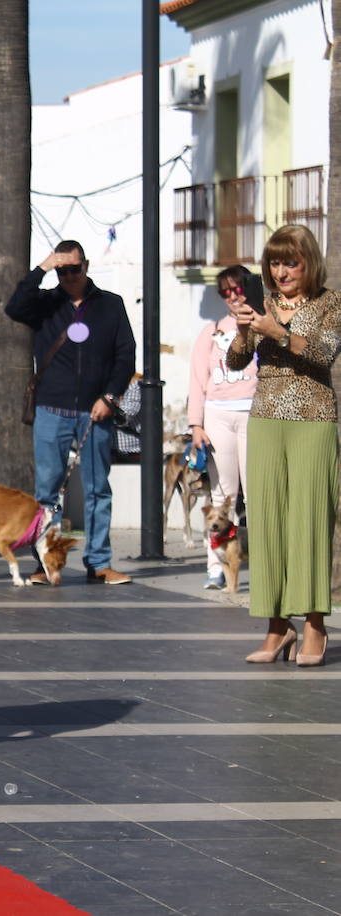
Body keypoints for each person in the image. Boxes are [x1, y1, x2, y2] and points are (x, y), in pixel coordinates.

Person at [225, 225, 341, 667]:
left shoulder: (331, 303)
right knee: (268, 521)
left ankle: (314, 626)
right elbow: (236, 361)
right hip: (267, 419)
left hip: (314, 420)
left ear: (307, 262)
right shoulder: (264, 305)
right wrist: (243, 328)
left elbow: (322, 354)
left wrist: (276, 330)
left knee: (309, 522)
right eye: (275, 262)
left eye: (290, 261)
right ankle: (277, 626)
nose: (281, 271)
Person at [5, 239, 136, 585]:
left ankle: (99, 563)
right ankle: (45, 563)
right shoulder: (45, 304)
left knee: (97, 489)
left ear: (87, 266)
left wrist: (109, 397)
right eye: (62, 271)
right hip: (51, 408)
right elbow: (14, 307)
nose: (69, 277)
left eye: (74, 269)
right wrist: (42, 267)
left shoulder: (111, 305)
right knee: (47, 492)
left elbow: (125, 355)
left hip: (94, 411)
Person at [187, 265, 258, 589]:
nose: (232, 296)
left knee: (258, 494)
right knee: (221, 493)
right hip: (217, 416)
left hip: (255, 415)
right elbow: (197, 380)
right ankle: (215, 566)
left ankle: (264, 566)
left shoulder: (263, 324)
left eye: (237, 289)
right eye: (225, 292)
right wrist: (195, 424)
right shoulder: (212, 330)